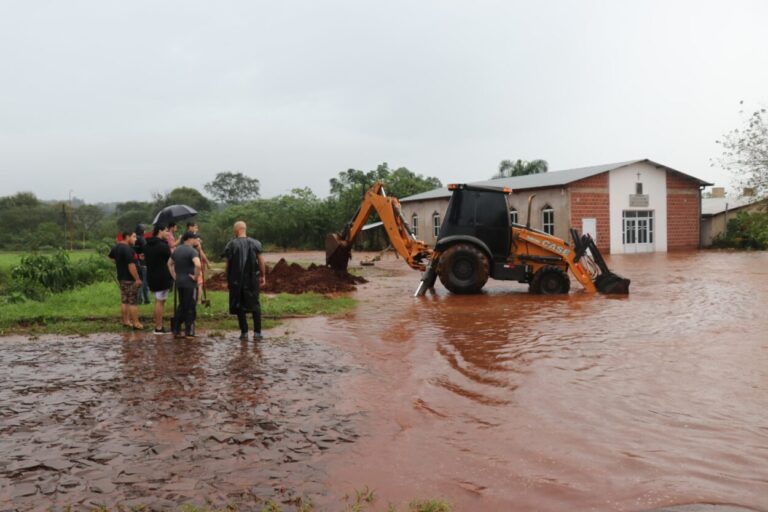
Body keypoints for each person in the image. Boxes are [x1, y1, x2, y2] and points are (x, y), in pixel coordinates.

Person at [223, 221, 266, 341]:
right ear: (245, 229)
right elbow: (261, 261)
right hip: (252, 279)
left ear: (236, 230)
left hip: (236, 280)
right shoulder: (256, 243)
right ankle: (257, 333)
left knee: (239, 304)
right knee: (255, 304)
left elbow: (227, 264)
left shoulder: (231, 244)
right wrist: (263, 275)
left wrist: (228, 278)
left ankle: (244, 333)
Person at [168, 231, 201, 338]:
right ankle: (189, 331)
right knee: (191, 306)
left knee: (182, 305)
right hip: (190, 283)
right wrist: (195, 277)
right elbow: (198, 265)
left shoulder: (177, 250)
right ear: (189, 239)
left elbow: (169, 263)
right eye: (195, 238)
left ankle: (176, 330)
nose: (196, 240)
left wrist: (174, 276)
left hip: (179, 282)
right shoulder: (192, 251)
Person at [108, 230, 143, 330]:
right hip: (130, 279)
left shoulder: (116, 247)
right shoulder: (128, 249)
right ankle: (136, 323)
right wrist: (137, 279)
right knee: (132, 301)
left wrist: (119, 262)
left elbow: (111, 257)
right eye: (134, 236)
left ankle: (125, 321)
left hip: (122, 278)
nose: (135, 239)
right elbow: (131, 266)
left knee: (125, 300)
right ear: (127, 237)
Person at [144, 224, 173, 334]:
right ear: (160, 231)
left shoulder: (147, 245)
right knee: (160, 302)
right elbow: (170, 261)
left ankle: (157, 324)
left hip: (151, 276)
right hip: (162, 277)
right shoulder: (163, 246)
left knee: (157, 301)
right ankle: (159, 327)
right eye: (166, 231)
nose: (168, 233)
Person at [187, 221, 209, 304]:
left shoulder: (189, 237)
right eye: (195, 226)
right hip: (195, 261)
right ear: (190, 227)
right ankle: (198, 301)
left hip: (194, 260)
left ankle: (196, 299)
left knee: (197, 282)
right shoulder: (193, 239)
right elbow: (200, 250)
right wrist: (207, 261)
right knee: (199, 283)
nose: (197, 228)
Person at [134, 223, 151, 305]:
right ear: (142, 230)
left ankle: (139, 300)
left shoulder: (134, 238)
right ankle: (147, 300)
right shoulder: (142, 239)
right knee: (144, 283)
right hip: (143, 263)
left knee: (138, 281)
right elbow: (146, 249)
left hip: (135, 263)